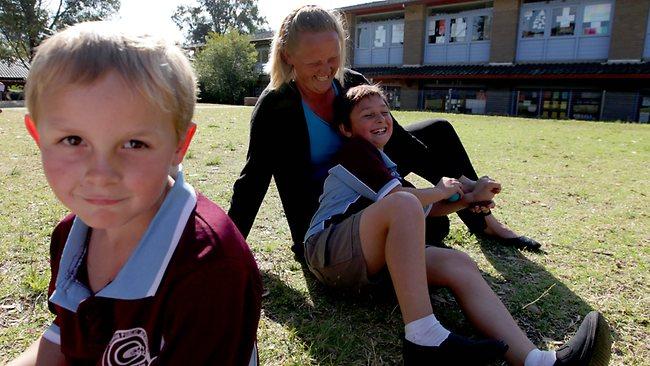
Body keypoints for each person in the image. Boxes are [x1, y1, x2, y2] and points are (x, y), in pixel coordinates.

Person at [9, 22, 262, 365]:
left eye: (134, 143)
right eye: (73, 140)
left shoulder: (213, 270)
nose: (100, 174)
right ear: (38, 137)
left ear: (178, 146)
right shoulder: (70, 236)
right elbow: (62, 339)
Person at [304, 84, 611, 366]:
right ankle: (423, 338)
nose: (380, 119)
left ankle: (537, 361)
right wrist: (441, 188)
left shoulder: (386, 165)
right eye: (368, 115)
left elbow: (422, 211)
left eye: (385, 112)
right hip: (328, 252)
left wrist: (467, 199)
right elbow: (404, 200)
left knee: (457, 261)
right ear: (345, 128)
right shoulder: (356, 151)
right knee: (405, 202)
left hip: (367, 262)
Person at [228, 5, 539, 266]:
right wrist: (229, 252)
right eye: (314, 62)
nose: (326, 70)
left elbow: (400, 141)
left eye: (332, 58)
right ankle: (454, 208)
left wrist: (466, 185)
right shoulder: (276, 106)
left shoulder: (350, 83)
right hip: (332, 210)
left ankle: (481, 218)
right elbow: (252, 182)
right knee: (433, 225)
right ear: (287, 56)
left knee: (438, 131)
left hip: (368, 179)